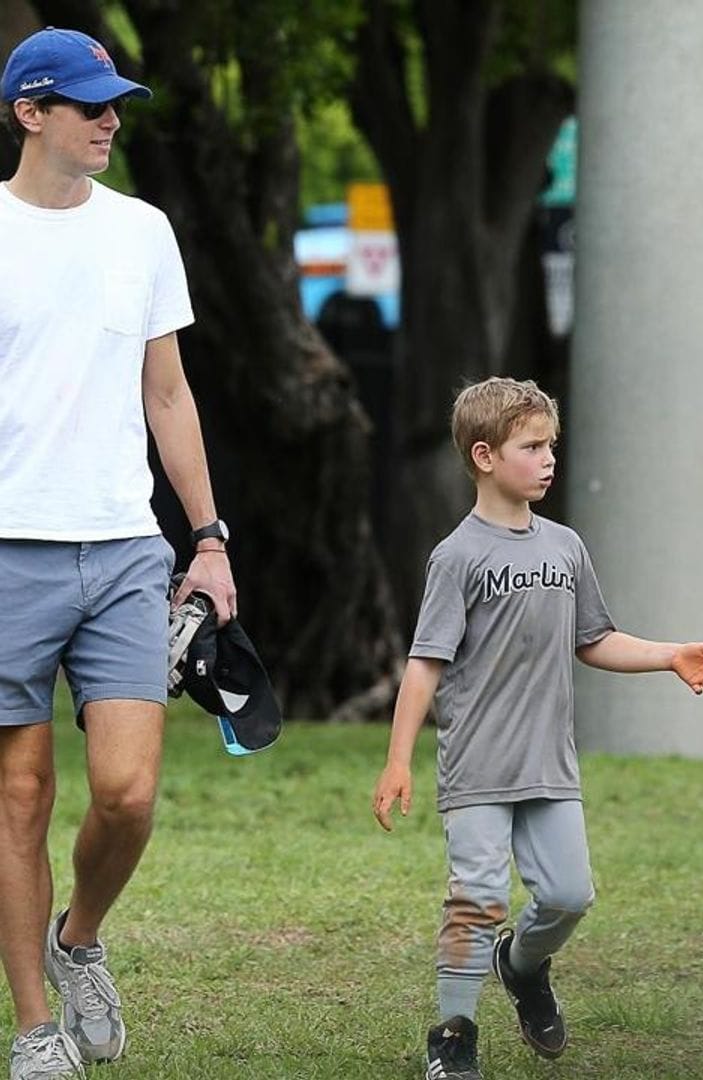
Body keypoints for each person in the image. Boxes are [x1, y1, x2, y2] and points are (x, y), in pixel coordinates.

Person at [371, 376, 703, 1080]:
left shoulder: (565, 547)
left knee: (570, 895)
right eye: (531, 447)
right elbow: (422, 667)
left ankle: (522, 964)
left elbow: (593, 638)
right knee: (476, 897)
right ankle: (453, 1038)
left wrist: (667, 656)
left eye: (551, 446)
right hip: (477, 766)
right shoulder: (457, 556)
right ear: (484, 455)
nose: (547, 459)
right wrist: (397, 762)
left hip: (549, 765)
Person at [0, 27, 235, 1080]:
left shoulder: (142, 231)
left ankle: (80, 934)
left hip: (127, 549)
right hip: (7, 552)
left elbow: (168, 392)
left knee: (128, 791)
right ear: (28, 113)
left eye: (116, 104)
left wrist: (211, 539)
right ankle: (35, 1027)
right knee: (20, 798)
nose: (109, 119)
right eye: (89, 103)